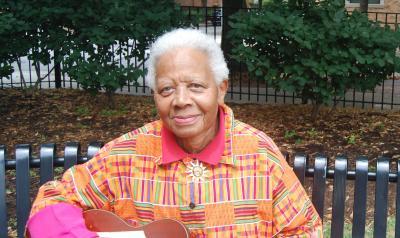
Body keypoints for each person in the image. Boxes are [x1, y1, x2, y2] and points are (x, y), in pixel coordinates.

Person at [27, 28, 323, 237]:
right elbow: (51, 201)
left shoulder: (260, 154)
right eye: (167, 89)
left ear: (221, 89)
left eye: (196, 86)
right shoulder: (125, 155)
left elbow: (305, 228)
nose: (181, 100)